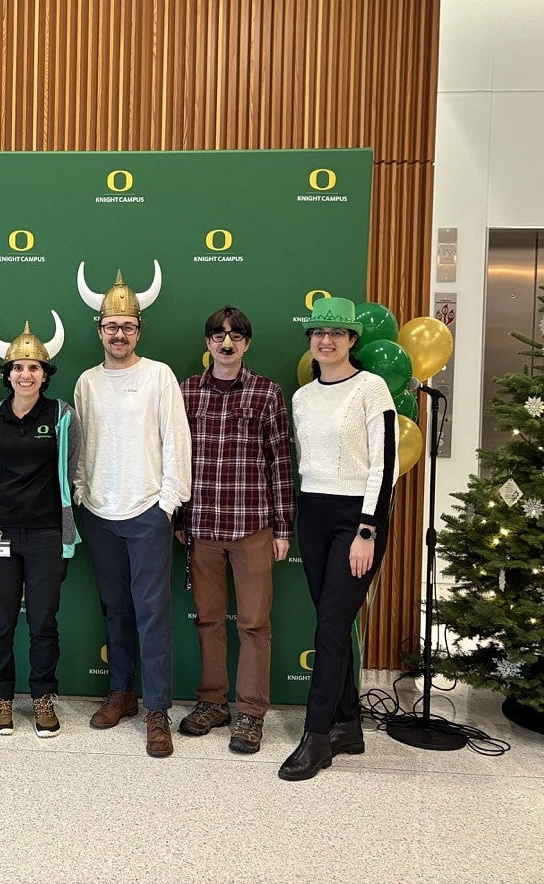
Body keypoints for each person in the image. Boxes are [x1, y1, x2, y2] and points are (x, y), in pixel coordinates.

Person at [73, 266, 192, 758]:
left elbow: (176, 440)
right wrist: (82, 492)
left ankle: (157, 709)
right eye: (110, 326)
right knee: (115, 609)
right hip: (99, 511)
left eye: (127, 326)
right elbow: (80, 444)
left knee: (152, 612)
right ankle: (121, 693)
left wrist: (168, 502)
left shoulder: (159, 375)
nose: (118, 334)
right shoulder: (86, 382)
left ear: (139, 331)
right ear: (99, 330)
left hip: (147, 511)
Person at [279, 296, 398, 781]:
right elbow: (307, 462)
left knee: (330, 627)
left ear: (352, 339)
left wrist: (367, 529)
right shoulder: (302, 397)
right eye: (318, 332)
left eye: (336, 333)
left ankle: (316, 736)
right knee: (333, 623)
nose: (325, 340)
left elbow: (385, 464)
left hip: (357, 519)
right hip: (313, 513)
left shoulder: (372, 388)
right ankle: (348, 725)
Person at [176, 306, 295, 754]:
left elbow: (280, 462)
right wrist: (180, 518)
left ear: (247, 343)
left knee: (254, 624)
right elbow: (176, 459)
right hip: (202, 527)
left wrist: (283, 528)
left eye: (236, 336)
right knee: (208, 620)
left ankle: (250, 712)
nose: (226, 343)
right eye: (218, 335)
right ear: (207, 342)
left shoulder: (267, 392)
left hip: (252, 527)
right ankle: (212, 703)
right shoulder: (187, 391)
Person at [0, 316, 81, 738]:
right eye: (18, 367)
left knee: (43, 622)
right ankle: (1, 699)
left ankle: (42, 698)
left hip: (46, 534)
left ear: (45, 373)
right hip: (0, 532)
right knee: (0, 622)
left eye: (33, 367)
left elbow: (71, 471)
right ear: (7, 374)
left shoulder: (62, 415)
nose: (25, 374)